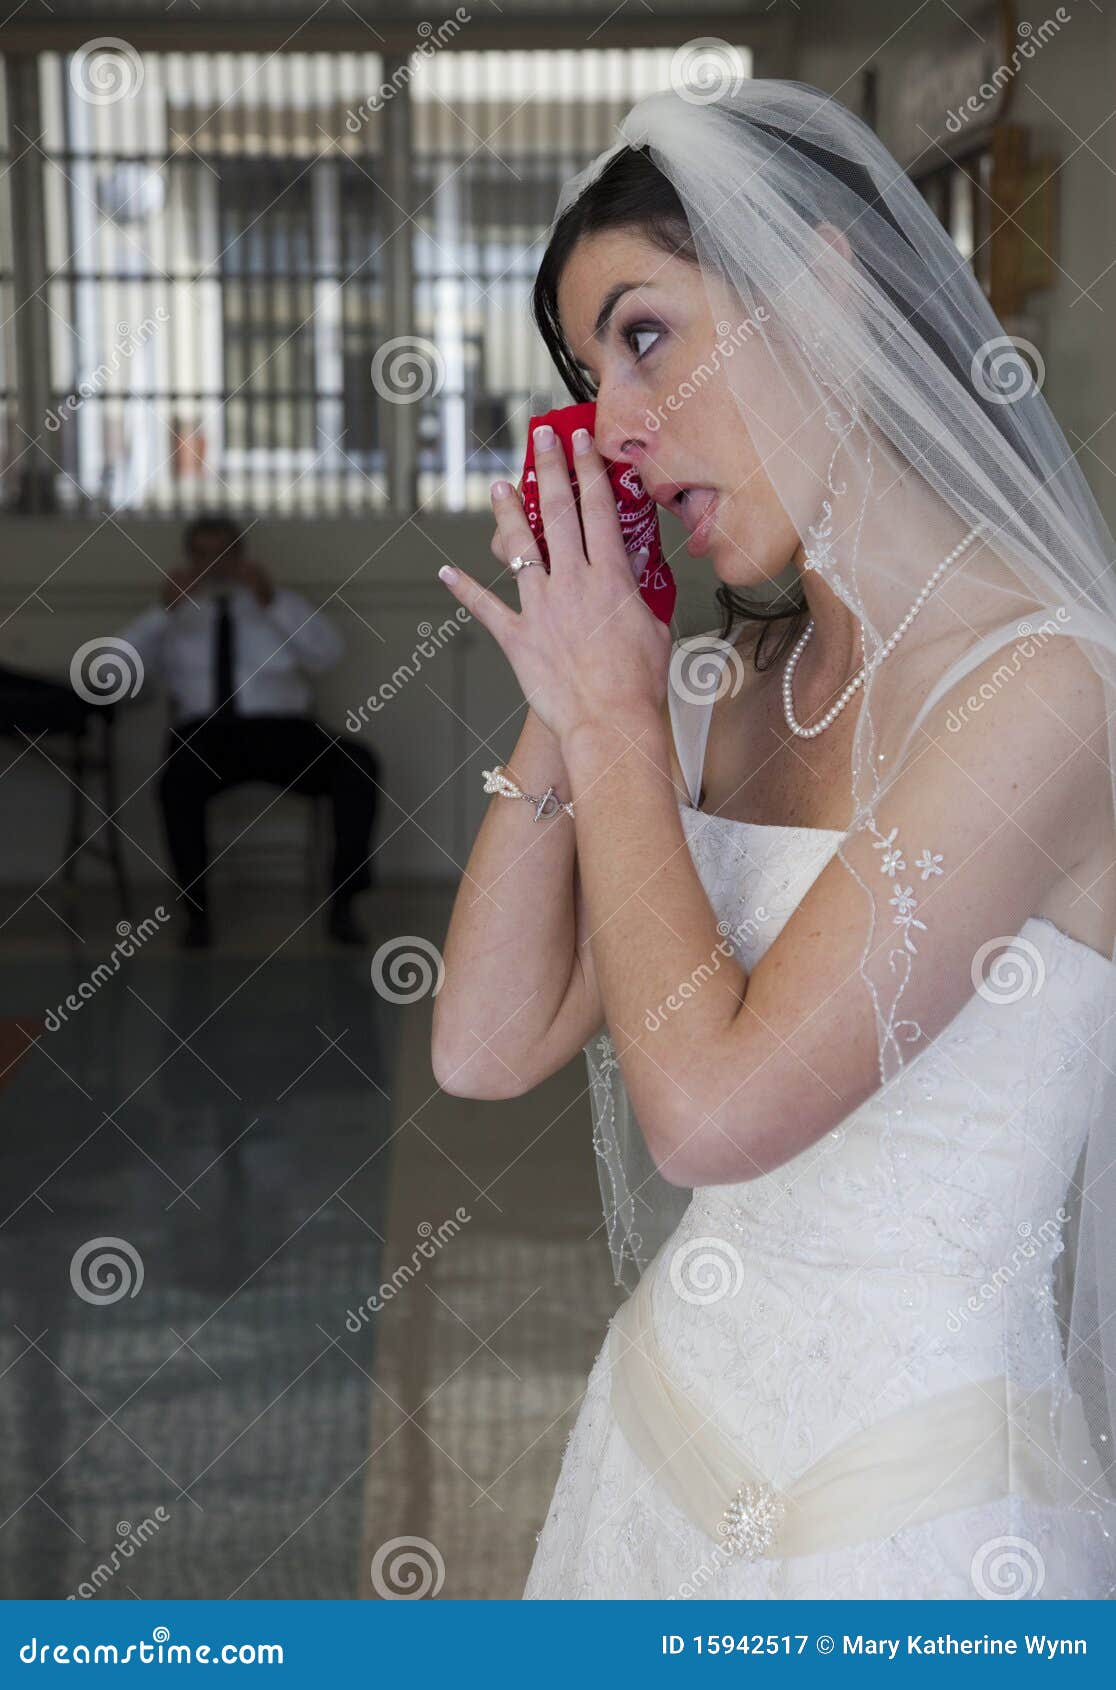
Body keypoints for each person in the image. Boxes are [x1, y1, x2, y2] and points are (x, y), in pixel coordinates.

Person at [430, 79, 1116, 1600]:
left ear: (819, 284)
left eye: (645, 331)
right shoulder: (735, 683)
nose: (610, 420)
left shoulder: (1048, 692)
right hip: (660, 1436)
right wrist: (574, 679)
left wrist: (617, 721)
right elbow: (482, 1041)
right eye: (587, 367)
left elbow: (713, 1115)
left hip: (912, 1517)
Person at [119, 513, 378, 948]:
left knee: (359, 764)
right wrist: (161, 612)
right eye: (203, 556)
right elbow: (119, 668)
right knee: (175, 784)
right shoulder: (175, 612)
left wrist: (271, 601)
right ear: (188, 559)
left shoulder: (275, 603)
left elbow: (329, 654)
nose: (215, 566)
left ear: (242, 556)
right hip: (204, 735)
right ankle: (195, 912)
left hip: (283, 732)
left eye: (224, 555)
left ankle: (345, 904)